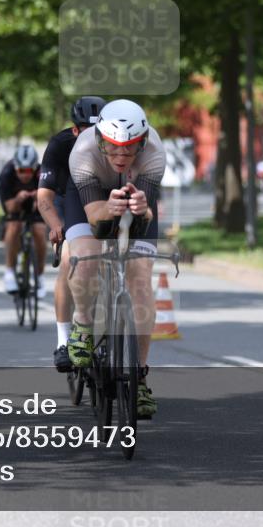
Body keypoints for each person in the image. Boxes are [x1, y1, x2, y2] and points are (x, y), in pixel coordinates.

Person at [64, 99, 165, 419]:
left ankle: (140, 378)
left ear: (143, 142)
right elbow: (95, 219)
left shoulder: (155, 153)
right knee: (87, 255)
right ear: (99, 141)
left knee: (140, 278)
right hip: (89, 202)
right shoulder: (82, 152)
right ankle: (82, 324)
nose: (122, 156)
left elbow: (146, 214)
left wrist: (140, 209)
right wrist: (110, 207)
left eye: (131, 148)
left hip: (134, 200)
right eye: (113, 147)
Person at [38, 95, 106, 372]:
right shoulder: (60, 144)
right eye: (85, 131)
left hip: (103, 199)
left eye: (97, 131)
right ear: (75, 130)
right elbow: (44, 197)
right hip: (68, 201)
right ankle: (64, 340)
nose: (92, 137)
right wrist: (56, 226)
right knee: (69, 259)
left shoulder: (114, 142)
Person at [0, 144, 48, 299]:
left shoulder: (42, 173)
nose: (25, 175)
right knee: (14, 226)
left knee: (40, 232)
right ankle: (10, 271)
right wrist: (18, 199)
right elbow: (9, 207)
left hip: (36, 205)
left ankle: (39, 276)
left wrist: (39, 196)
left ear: (34, 168)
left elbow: (50, 196)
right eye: (21, 171)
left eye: (29, 171)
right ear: (15, 167)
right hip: (14, 204)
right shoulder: (7, 173)